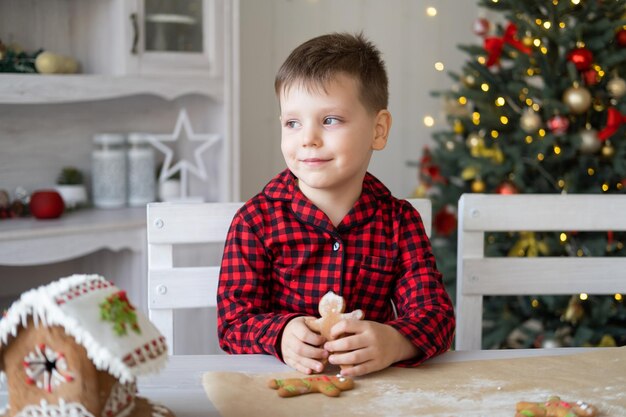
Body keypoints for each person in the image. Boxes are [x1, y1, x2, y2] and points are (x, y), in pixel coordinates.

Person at [217, 32, 455, 377]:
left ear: (378, 130)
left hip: (377, 392)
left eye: (330, 120)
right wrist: (281, 334)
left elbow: (436, 315)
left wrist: (394, 341)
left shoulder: (399, 222)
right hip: (281, 391)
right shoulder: (255, 221)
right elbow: (233, 322)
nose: (308, 138)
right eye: (292, 123)